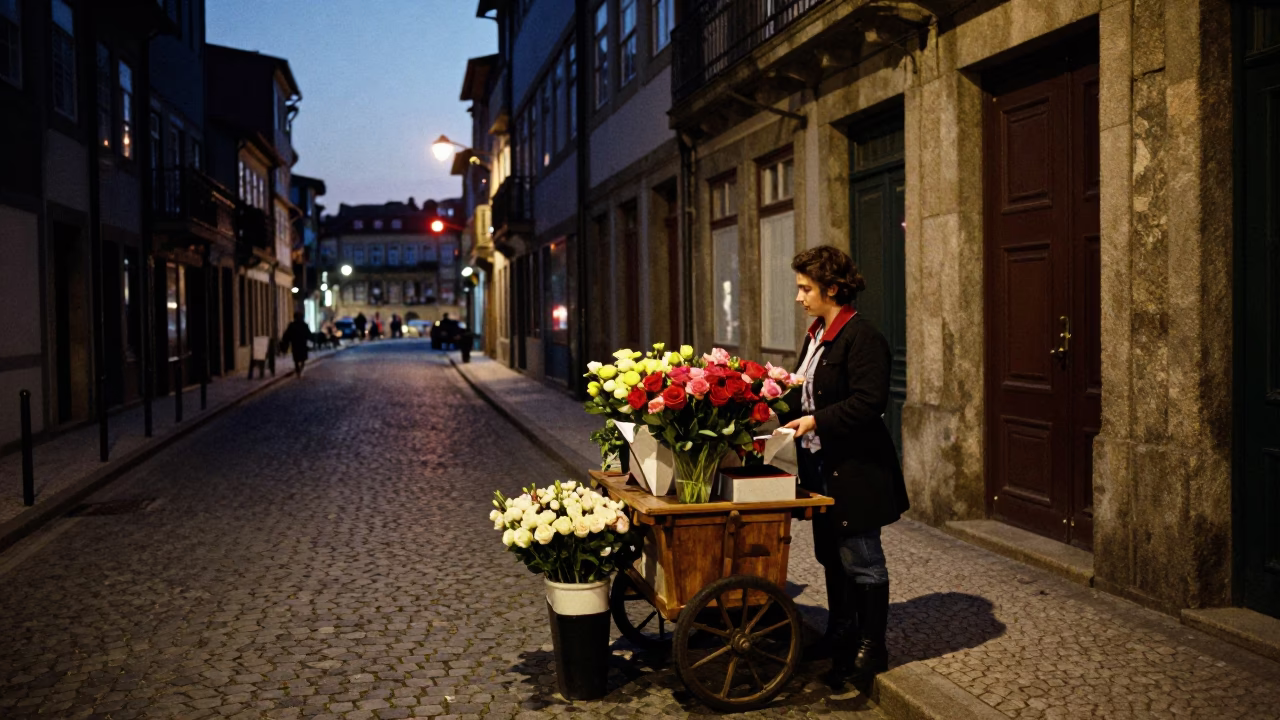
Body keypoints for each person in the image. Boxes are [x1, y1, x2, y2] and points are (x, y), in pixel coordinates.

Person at [779, 245, 909, 687]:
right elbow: (803, 390)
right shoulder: (816, 334)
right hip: (820, 463)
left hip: (856, 467)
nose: (799, 297)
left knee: (862, 557)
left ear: (832, 288)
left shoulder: (861, 336)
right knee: (831, 554)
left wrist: (817, 419)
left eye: (805, 288)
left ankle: (873, 647)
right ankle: (842, 632)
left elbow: (870, 402)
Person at [280, 311, 312, 377]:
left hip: (295, 344)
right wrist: (310, 342)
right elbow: (309, 335)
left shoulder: (292, 325)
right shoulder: (304, 325)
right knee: (302, 358)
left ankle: (298, 370)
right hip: (302, 344)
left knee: (296, 358)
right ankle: (300, 369)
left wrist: (286, 341)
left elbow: (287, 335)